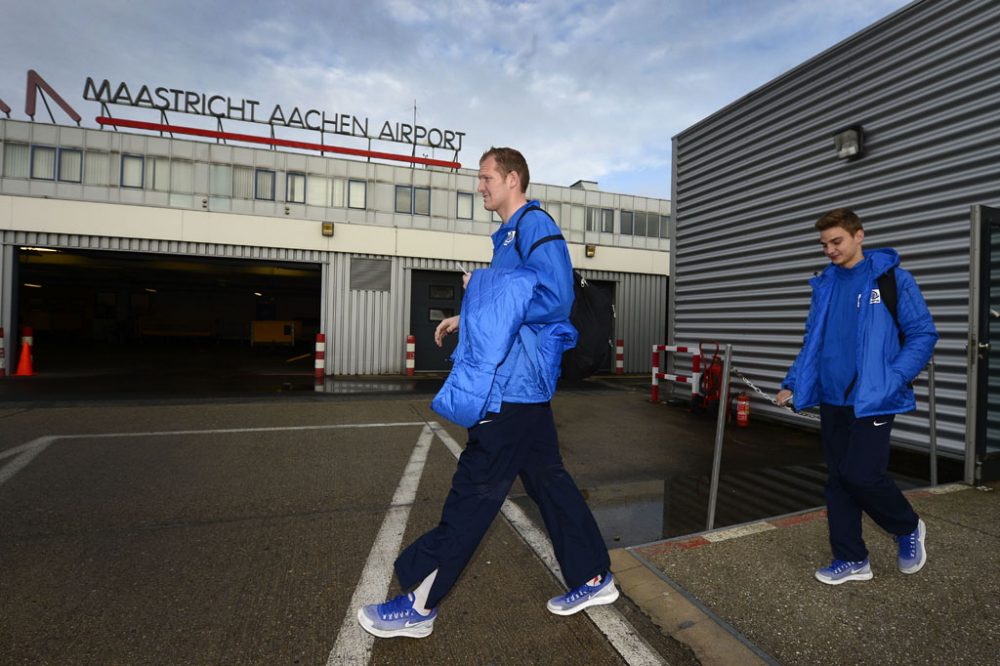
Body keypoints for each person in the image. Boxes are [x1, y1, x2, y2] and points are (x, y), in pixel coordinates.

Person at [357, 147, 616, 639]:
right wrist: (468, 313)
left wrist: (486, 289)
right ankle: (592, 575)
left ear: (512, 178)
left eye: (486, 177)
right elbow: (509, 306)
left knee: (472, 495)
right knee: (549, 483)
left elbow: (556, 298)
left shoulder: (534, 225)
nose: (479, 186)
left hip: (513, 389)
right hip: (523, 388)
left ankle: (419, 604)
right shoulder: (509, 235)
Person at [776, 208, 938, 585]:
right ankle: (852, 558)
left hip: (874, 398)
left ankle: (907, 525)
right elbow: (813, 342)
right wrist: (795, 382)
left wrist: (893, 377)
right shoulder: (826, 284)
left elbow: (923, 334)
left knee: (861, 474)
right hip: (833, 398)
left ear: (859, 236)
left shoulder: (891, 279)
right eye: (824, 244)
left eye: (837, 241)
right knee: (838, 480)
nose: (830, 250)